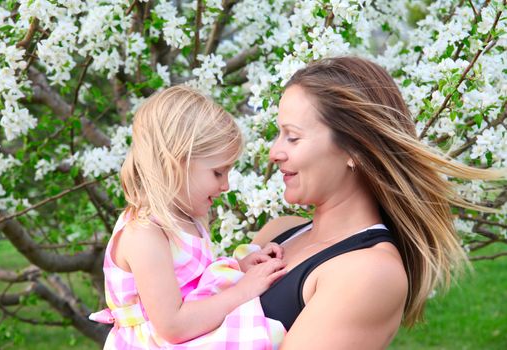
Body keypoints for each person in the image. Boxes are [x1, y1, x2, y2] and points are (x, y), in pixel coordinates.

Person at [253, 56, 505, 349]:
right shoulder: (278, 233)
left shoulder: (369, 273)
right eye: (278, 134)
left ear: (354, 149)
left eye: (292, 137)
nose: (274, 152)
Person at [89, 85, 287, 349]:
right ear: (174, 162)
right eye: (217, 172)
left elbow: (195, 286)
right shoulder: (145, 234)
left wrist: (240, 268)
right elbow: (174, 325)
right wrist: (243, 290)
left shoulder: (187, 219)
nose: (226, 185)